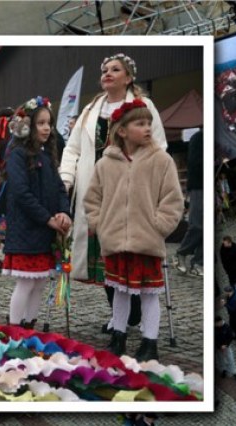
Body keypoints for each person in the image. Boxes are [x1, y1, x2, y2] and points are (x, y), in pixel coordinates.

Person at [61, 54, 167, 332]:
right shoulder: (90, 110)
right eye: (104, 70)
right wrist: (66, 179)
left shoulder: (144, 106)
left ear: (128, 77)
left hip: (131, 190)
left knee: (131, 253)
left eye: (115, 70)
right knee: (104, 257)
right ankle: (119, 315)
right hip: (96, 192)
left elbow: (159, 145)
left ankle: (138, 312)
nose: (107, 73)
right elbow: (72, 149)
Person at [84, 98, 183, 360]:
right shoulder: (105, 164)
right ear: (122, 131)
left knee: (149, 294)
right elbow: (92, 199)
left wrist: (159, 226)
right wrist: (100, 225)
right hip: (115, 240)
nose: (147, 128)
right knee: (119, 291)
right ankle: (118, 336)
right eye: (140, 123)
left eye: (149, 123)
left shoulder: (161, 160)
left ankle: (150, 342)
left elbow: (172, 200)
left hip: (147, 240)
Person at [3, 97, 72, 328]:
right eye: (41, 123)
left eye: (49, 123)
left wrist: (64, 212)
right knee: (26, 282)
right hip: (26, 230)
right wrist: (47, 218)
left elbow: (60, 188)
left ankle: (29, 325)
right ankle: (14, 328)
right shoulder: (18, 154)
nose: (46, 128)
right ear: (28, 125)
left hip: (45, 230)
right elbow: (21, 193)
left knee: (40, 282)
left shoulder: (47, 154)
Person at [175, 128, 204, 275]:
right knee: (197, 225)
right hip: (199, 186)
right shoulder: (198, 138)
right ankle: (181, 252)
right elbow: (195, 163)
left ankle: (198, 262)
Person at [215, 314, 236, 382]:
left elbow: (230, 337)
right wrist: (219, 346)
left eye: (219, 322)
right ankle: (223, 370)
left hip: (226, 347)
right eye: (217, 323)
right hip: (218, 348)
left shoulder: (226, 327)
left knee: (230, 359)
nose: (219, 324)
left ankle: (234, 372)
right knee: (221, 360)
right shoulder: (214, 328)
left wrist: (225, 345)